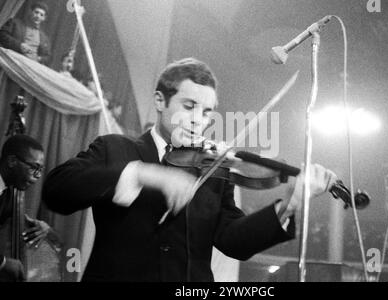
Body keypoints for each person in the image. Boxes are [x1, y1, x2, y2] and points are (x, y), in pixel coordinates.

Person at [42, 58, 337, 282]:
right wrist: (143, 173)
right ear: (160, 101)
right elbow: (56, 191)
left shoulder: (213, 171)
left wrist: (290, 204)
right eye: (189, 105)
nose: (199, 120)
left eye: (207, 112)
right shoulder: (115, 148)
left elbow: (234, 241)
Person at [0, 134, 52, 281]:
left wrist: (40, 226)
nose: (38, 176)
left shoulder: (7, 192)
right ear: (12, 161)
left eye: (41, 170)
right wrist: (3, 262)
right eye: (34, 168)